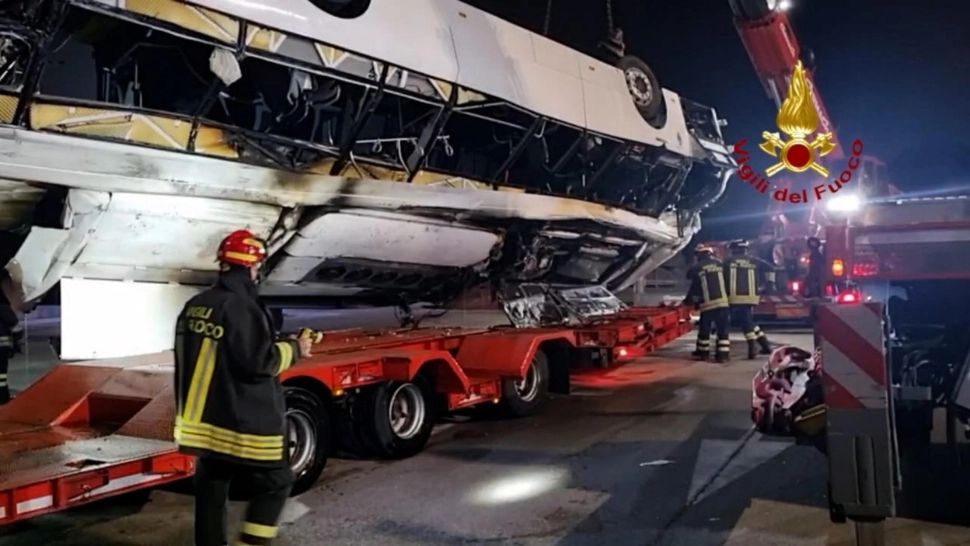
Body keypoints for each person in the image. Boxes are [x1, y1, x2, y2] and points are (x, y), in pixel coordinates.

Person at [174, 229, 313, 546]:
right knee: (277, 482)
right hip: (241, 424)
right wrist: (295, 347)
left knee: (211, 489)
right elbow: (258, 363)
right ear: (252, 268)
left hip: (203, 427)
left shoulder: (195, 306)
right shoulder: (241, 308)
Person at [724, 240, 774, 359]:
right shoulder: (754, 261)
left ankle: (752, 348)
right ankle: (765, 345)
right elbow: (770, 268)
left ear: (733, 250)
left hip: (734, 297)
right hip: (751, 296)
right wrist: (769, 284)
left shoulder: (727, 262)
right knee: (748, 321)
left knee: (746, 323)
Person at [686, 245, 731, 363]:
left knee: (704, 329)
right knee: (723, 330)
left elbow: (693, 285)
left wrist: (688, 301)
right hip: (723, 303)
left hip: (708, 304)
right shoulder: (720, 264)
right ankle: (723, 356)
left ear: (699, 255)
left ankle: (703, 353)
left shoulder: (697, 267)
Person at [0, 269, 24, 405]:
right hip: (1, 349)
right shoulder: (3, 305)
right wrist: (17, 333)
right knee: (1, 377)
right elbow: (12, 321)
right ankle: (2, 399)